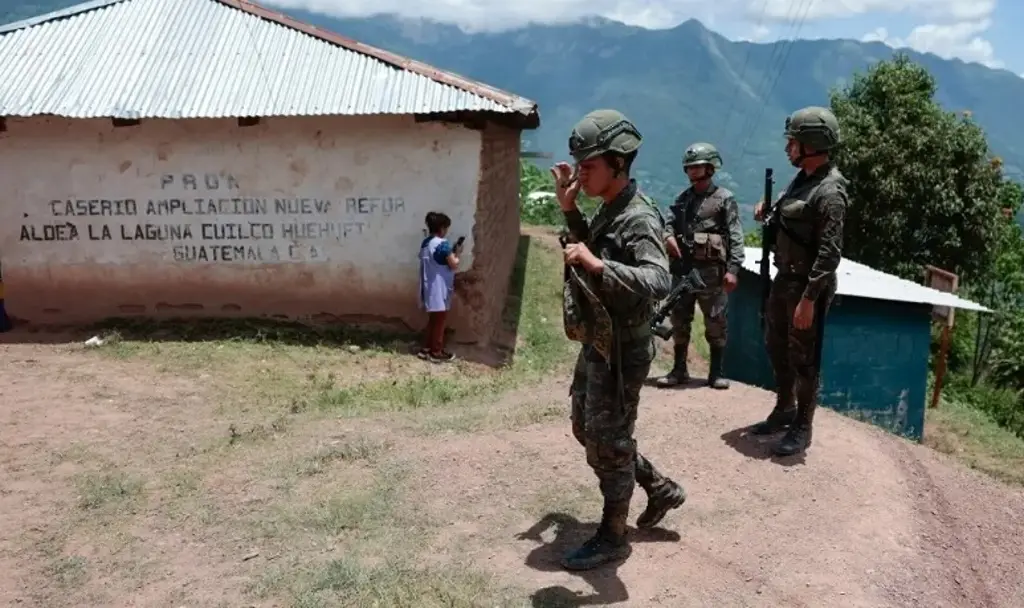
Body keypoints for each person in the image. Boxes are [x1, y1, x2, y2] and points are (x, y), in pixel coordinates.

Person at [553, 109, 686, 571]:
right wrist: (570, 211)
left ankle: (613, 536)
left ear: (618, 162)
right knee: (588, 429)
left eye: (588, 165)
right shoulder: (610, 208)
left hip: (624, 348)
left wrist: (597, 265)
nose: (580, 173)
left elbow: (657, 280)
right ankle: (661, 488)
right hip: (600, 339)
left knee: (608, 440)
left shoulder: (638, 216)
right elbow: (589, 245)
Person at [750, 106, 848, 457]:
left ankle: (802, 426)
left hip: (808, 288)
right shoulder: (802, 180)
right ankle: (784, 408)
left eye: (793, 142)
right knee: (777, 346)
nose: (788, 147)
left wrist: (809, 299)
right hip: (784, 280)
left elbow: (829, 253)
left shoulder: (830, 191)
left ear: (812, 144)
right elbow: (788, 213)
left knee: (805, 358)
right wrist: (768, 208)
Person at [656, 142, 745, 390]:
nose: (693, 172)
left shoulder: (724, 199)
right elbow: (668, 223)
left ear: (710, 167)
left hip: (712, 274)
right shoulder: (682, 199)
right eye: (690, 168)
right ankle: (679, 369)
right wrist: (668, 237)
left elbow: (736, 235)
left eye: (697, 167)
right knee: (679, 320)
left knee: (715, 323)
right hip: (684, 271)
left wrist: (733, 269)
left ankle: (716, 372)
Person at [418, 211, 462, 363]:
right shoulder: (442, 245)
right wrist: (458, 253)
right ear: (442, 228)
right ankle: (436, 351)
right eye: (446, 228)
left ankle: (426, 349)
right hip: (439, 288)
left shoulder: (426, 243)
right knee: (440, 320)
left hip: (428, 286)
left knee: (433, 319)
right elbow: (453, 264)